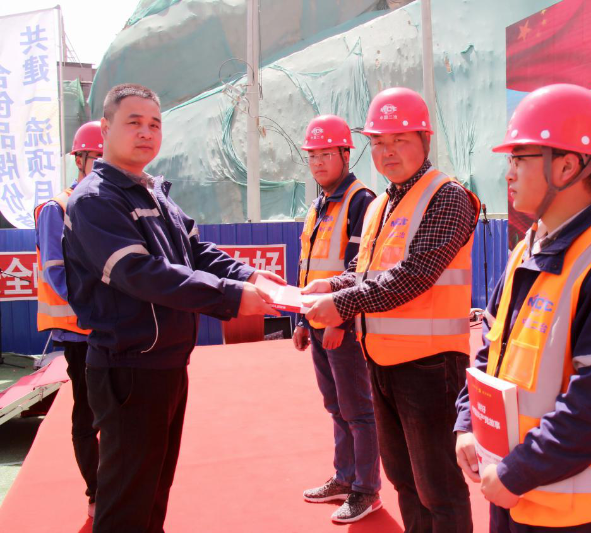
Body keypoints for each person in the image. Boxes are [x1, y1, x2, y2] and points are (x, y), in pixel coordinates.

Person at [62, 83, 284, 533]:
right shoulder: (96, 200)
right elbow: (142, 274)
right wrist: (231, 297)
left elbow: (197, 253)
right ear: (105, 129)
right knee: (127, 504)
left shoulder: (153, 194)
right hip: (128, 369)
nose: (146, 133)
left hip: (165, 366)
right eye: (134, 123)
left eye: (154, 124)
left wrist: (249, 276)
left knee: (153, 495)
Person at [453, 84, 591, 532]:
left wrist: (516, 473)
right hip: (512, 486)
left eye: (520, 158)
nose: (509, 173)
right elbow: (490, 351)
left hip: (566, 508)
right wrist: (468, 422)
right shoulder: (526, 250)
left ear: (567, 166)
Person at [304, 87, 480, 533]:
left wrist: (340, 303)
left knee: (439, 488)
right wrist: (333, 284)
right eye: (379, 142)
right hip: (381, 360)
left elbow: (414, 274)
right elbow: (367, 271)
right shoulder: (382, 203)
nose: (387, 152)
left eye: (400, 140)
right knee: (404, 482)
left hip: (430, 366)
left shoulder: (447, 197)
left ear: (425, 139)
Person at [292, 114, 381, 523]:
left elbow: (358, 268)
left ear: (347, 154)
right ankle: (345, 478)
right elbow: (308, 266)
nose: (318, 162)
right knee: (336, 406)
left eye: (326, 154)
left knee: (358, 409)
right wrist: (301, 320)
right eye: (312, 155)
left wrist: (339, 321)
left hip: (343, 325)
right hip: (316, 321)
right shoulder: (319, 205)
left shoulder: (361, 201)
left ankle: (366, 489)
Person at [33, 120, 103, 518]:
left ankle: (116, 484)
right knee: (87, 415)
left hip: (112, 330)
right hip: (81, 333)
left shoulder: (109, 204)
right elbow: (58, 275)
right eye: (98, 157)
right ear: (80, 160)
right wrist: (99, 311)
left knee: (117, 412)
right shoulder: (56, 209)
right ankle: (96, 491)